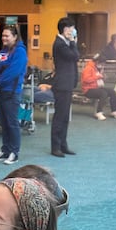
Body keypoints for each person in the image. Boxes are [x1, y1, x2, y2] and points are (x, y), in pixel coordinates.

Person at [0, 25, 27, 165]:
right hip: (0, 92)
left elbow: (14, 71)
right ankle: (5, 150)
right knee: (4, 123)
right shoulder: (1, 52)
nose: (4, 38)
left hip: (11, 92)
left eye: (7, 36)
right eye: (3, 36)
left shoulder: (20, 52)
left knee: (12, 123)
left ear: (15, 37)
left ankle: (14, 152)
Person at [50, 17, 79, 157]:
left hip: (66, 84)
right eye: (71, 28)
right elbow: (75, 56)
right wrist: (73, 42)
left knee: (65, 116)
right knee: (59, 116)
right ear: (65, 29)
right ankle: (55, 147)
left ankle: (63, 145)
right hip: (61, 85)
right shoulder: (60, 44)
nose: (73, 31)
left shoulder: (64, 43)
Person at [80, 56, 116, 120]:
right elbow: (86, 80)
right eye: (102, 63)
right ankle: (99, 112)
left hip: (96, 88)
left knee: (112, 92)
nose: (102, 65)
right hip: (88, 90)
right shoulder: (88, 68)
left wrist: (102, 77)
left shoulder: (95, 68)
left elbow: (96, 79)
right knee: (103, 93)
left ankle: (114, 111)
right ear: (97, 62)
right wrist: (98, 77)